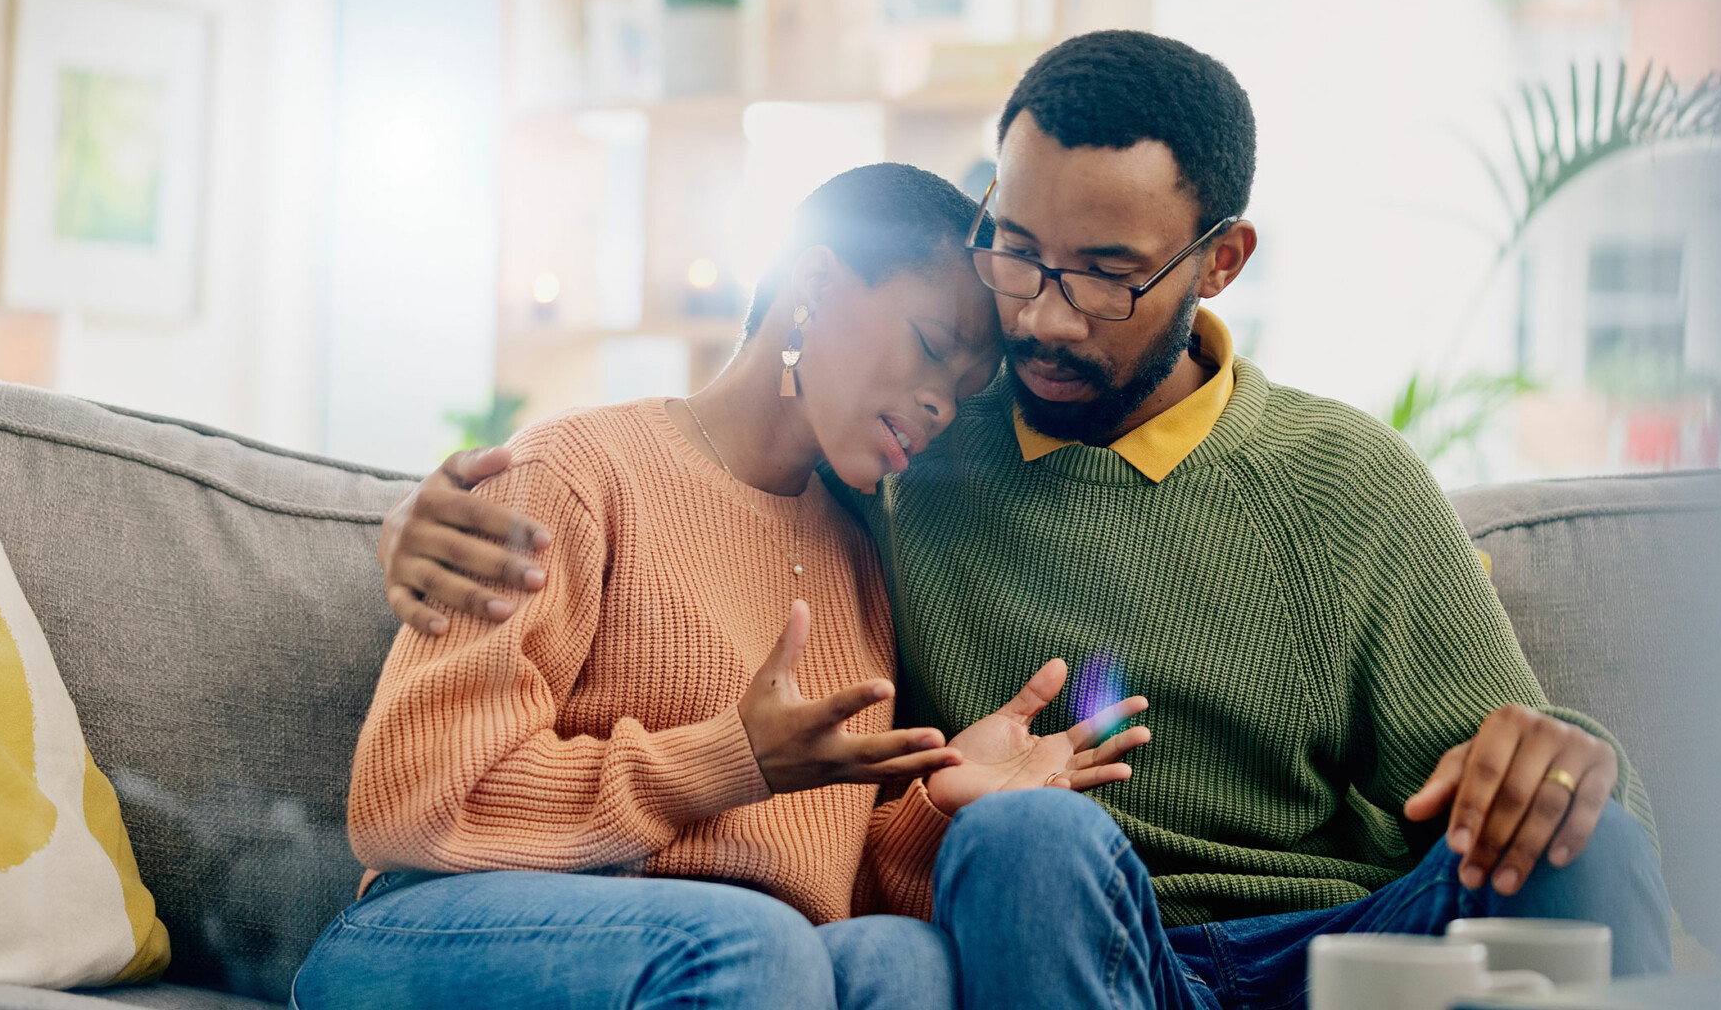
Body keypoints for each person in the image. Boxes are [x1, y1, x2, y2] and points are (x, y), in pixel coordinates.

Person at [379, 32, 1674, 1009]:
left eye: (1106, 276)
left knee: (1588, 843)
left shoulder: (1346, 481)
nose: (1041, 316)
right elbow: (693, 474)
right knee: (1025, 835)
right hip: (1066, 927)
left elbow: (1512, 772)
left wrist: (1567, 755)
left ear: (1219, 262)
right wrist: (420, 522)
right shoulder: (910, 461)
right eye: (1016, 250)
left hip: (1330, 949)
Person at [289, 163, 1150, 1010]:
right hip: (439, 928)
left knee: (904, 958)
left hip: (732, 964)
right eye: (931, 347)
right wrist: (726, 760)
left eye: (965, 393)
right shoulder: (575, 473)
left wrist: (935, 800)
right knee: (751, 944)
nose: (940, 406)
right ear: (813, 281)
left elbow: (815, 876)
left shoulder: (857, 556)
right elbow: (412, 802)